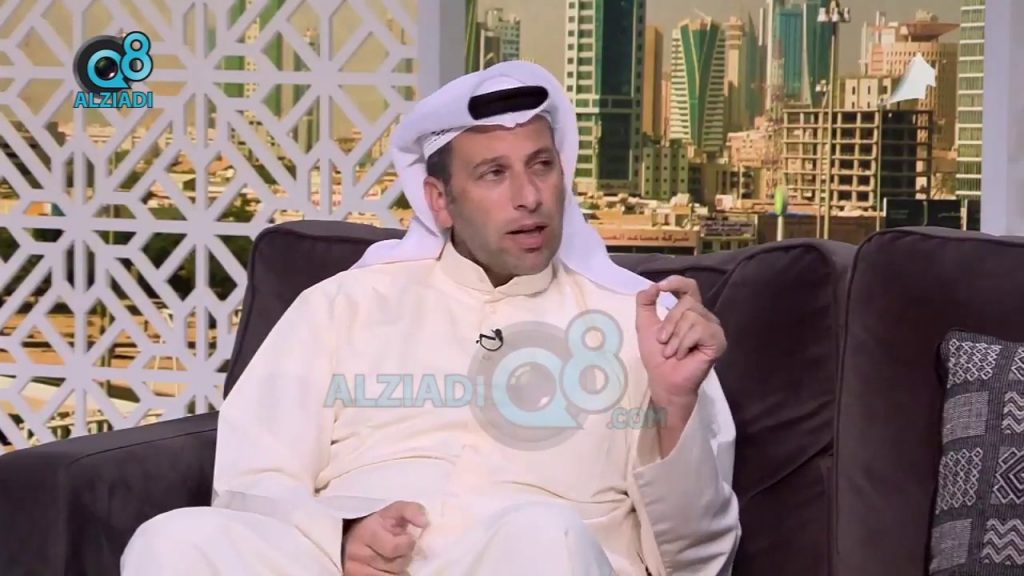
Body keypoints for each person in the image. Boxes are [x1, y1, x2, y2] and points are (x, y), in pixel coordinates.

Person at [121, 61, 740, 575]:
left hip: (529, 561)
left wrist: (674, 407)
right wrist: (339, 536)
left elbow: (697, 560)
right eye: (494, 173)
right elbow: (253, 476)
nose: (529, 197)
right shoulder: (345, 304)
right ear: (439, 200)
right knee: (172, 543)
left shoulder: (644, 327)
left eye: (541, 165)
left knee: (543, 535)